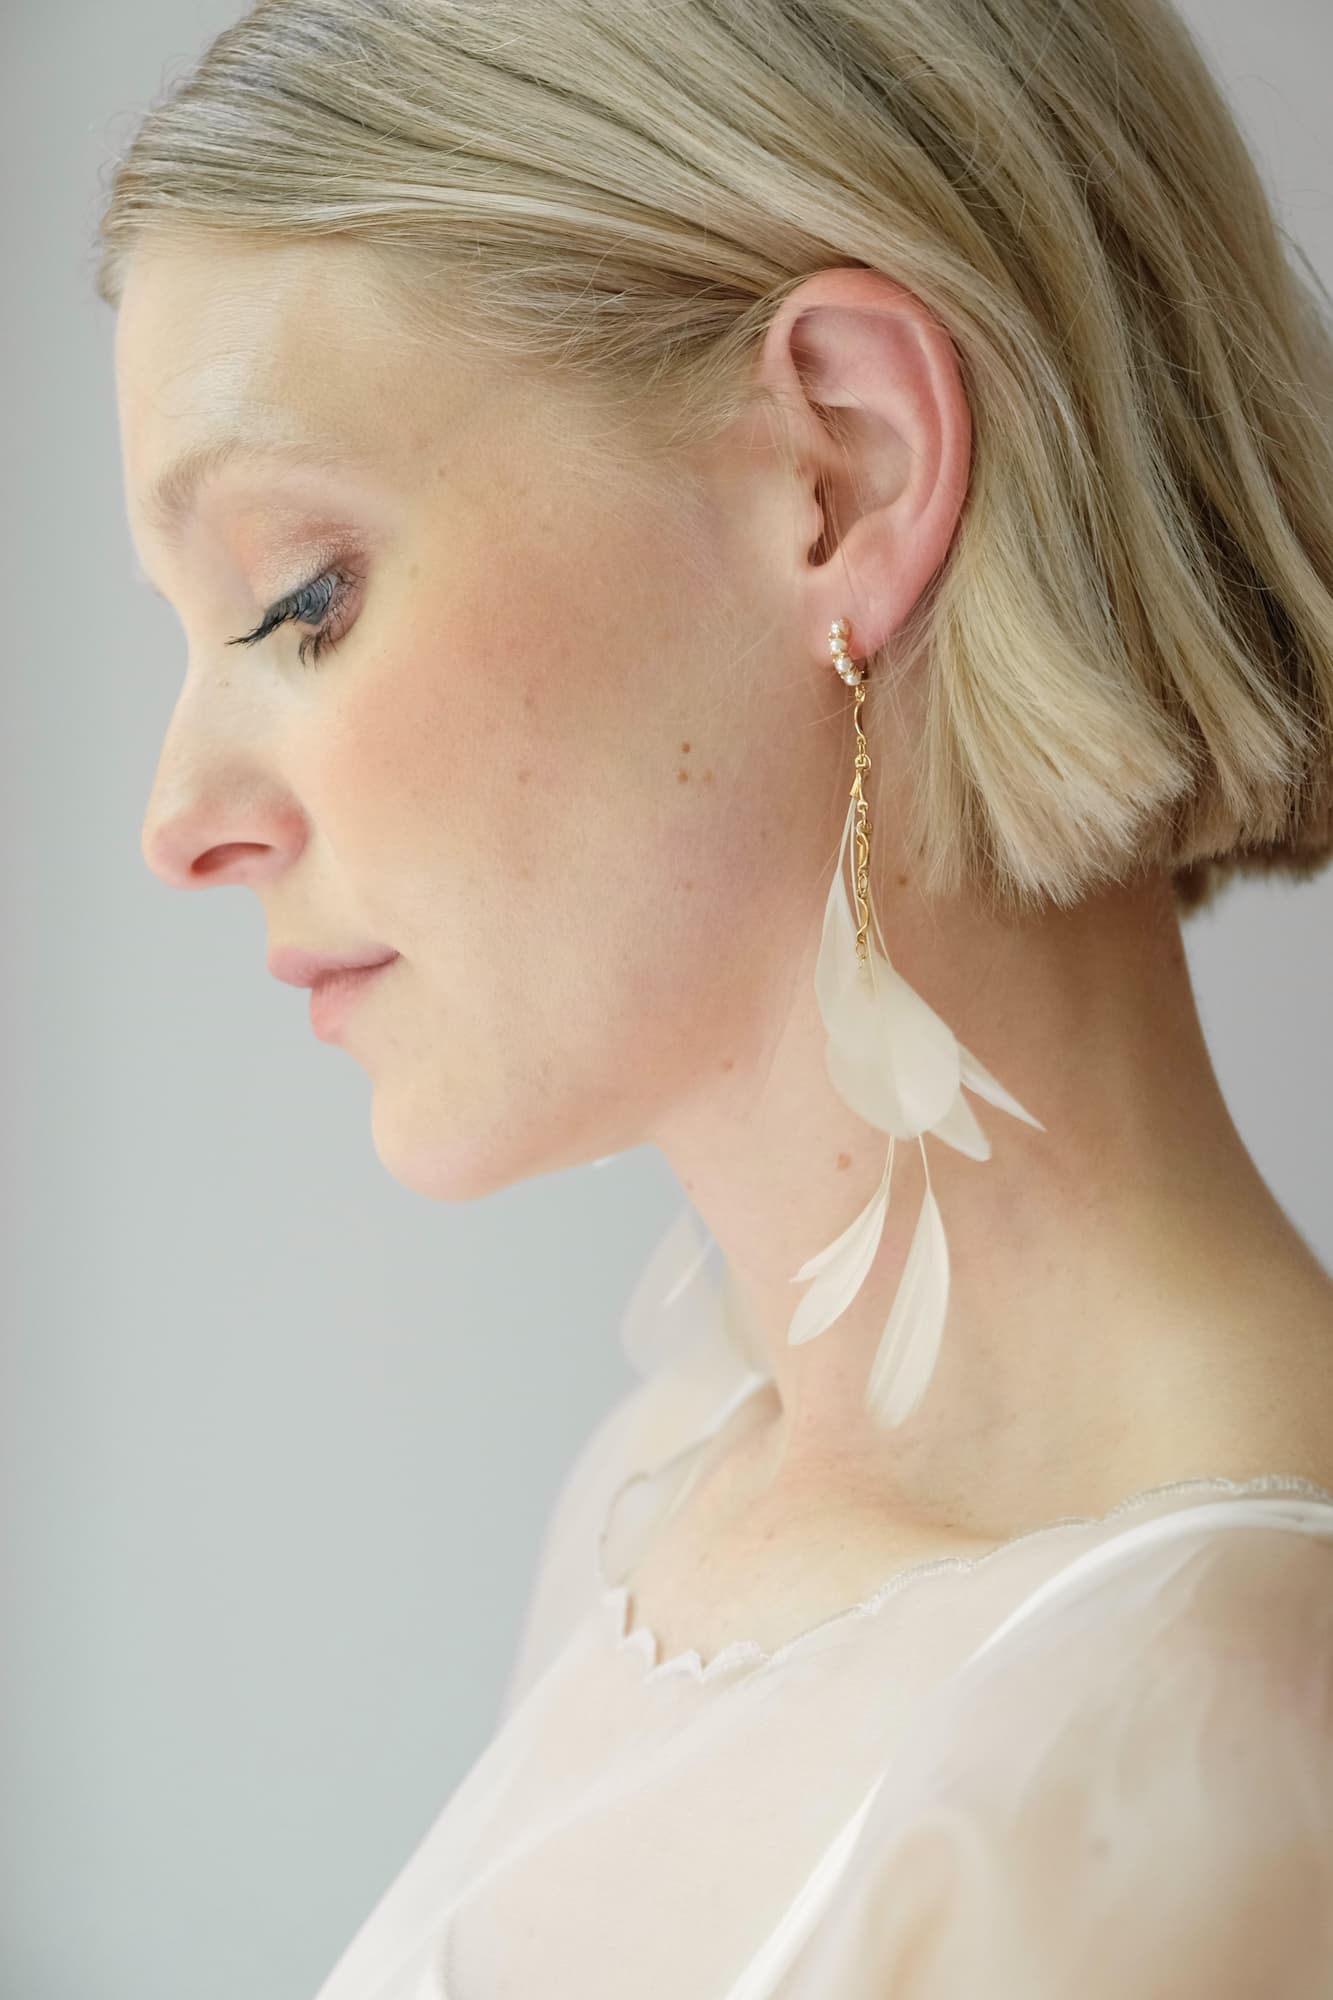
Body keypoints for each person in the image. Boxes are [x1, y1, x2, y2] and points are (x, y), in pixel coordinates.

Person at [99, 0, 1333, 1992]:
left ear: (837, 471)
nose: (181, 818)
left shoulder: (1195, 1753)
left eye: (296, 595)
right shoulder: (667, 1492)